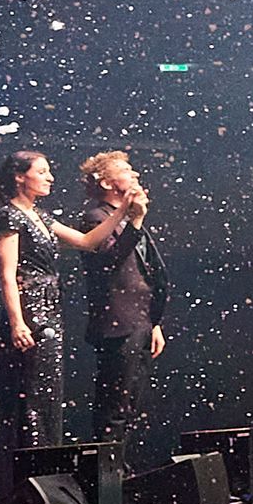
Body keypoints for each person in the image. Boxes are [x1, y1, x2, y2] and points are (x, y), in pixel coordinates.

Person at [0, 148, 129, 504]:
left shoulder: (42, 216)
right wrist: (17, 322)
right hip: (31, 311)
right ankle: (24, 496)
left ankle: (45, 489)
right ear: (20, 177)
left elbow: (87, 242)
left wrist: (122, 212)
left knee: (49, 396)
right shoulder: (10, 216)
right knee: (31, 398)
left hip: (51, 310)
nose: (50, 178)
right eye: (43, 172)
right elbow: (7, 274)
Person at [76, 150, 166, 470]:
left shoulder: (128, 220)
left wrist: (153, 322)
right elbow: (108, 261)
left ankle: (118, 470)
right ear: (106, 182)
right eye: (127, 171)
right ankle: (108, 477)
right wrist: (137, 220)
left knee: (128, 404)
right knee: (114, 405)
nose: (136, 175)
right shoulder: (95, 217)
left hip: (138, 322)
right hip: (117, 324)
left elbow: (146, 275)